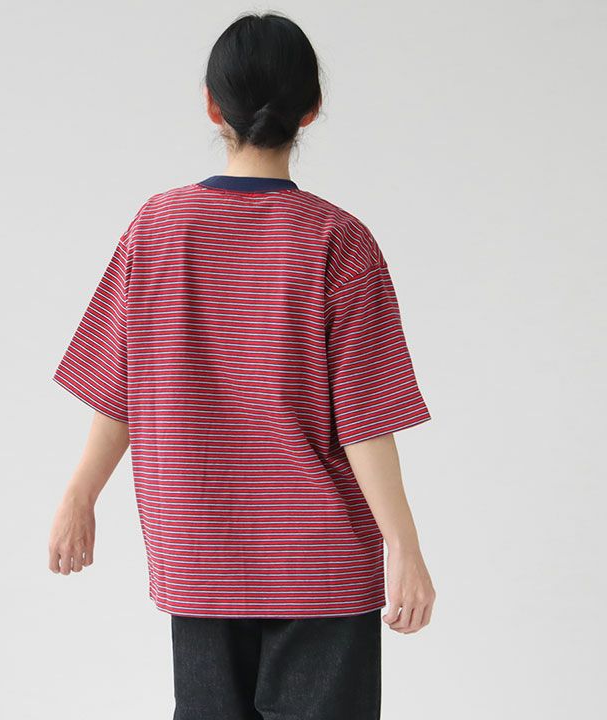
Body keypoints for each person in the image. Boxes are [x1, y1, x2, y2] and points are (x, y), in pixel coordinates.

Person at [48, 10, 436, 720]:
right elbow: (366, 419)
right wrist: (403, 547)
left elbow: (119, 386)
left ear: (211, 104)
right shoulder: (339, 241)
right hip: (322, 563)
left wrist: (79, 495)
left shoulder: (156, 229)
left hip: (199, 554)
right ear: (311, 109)